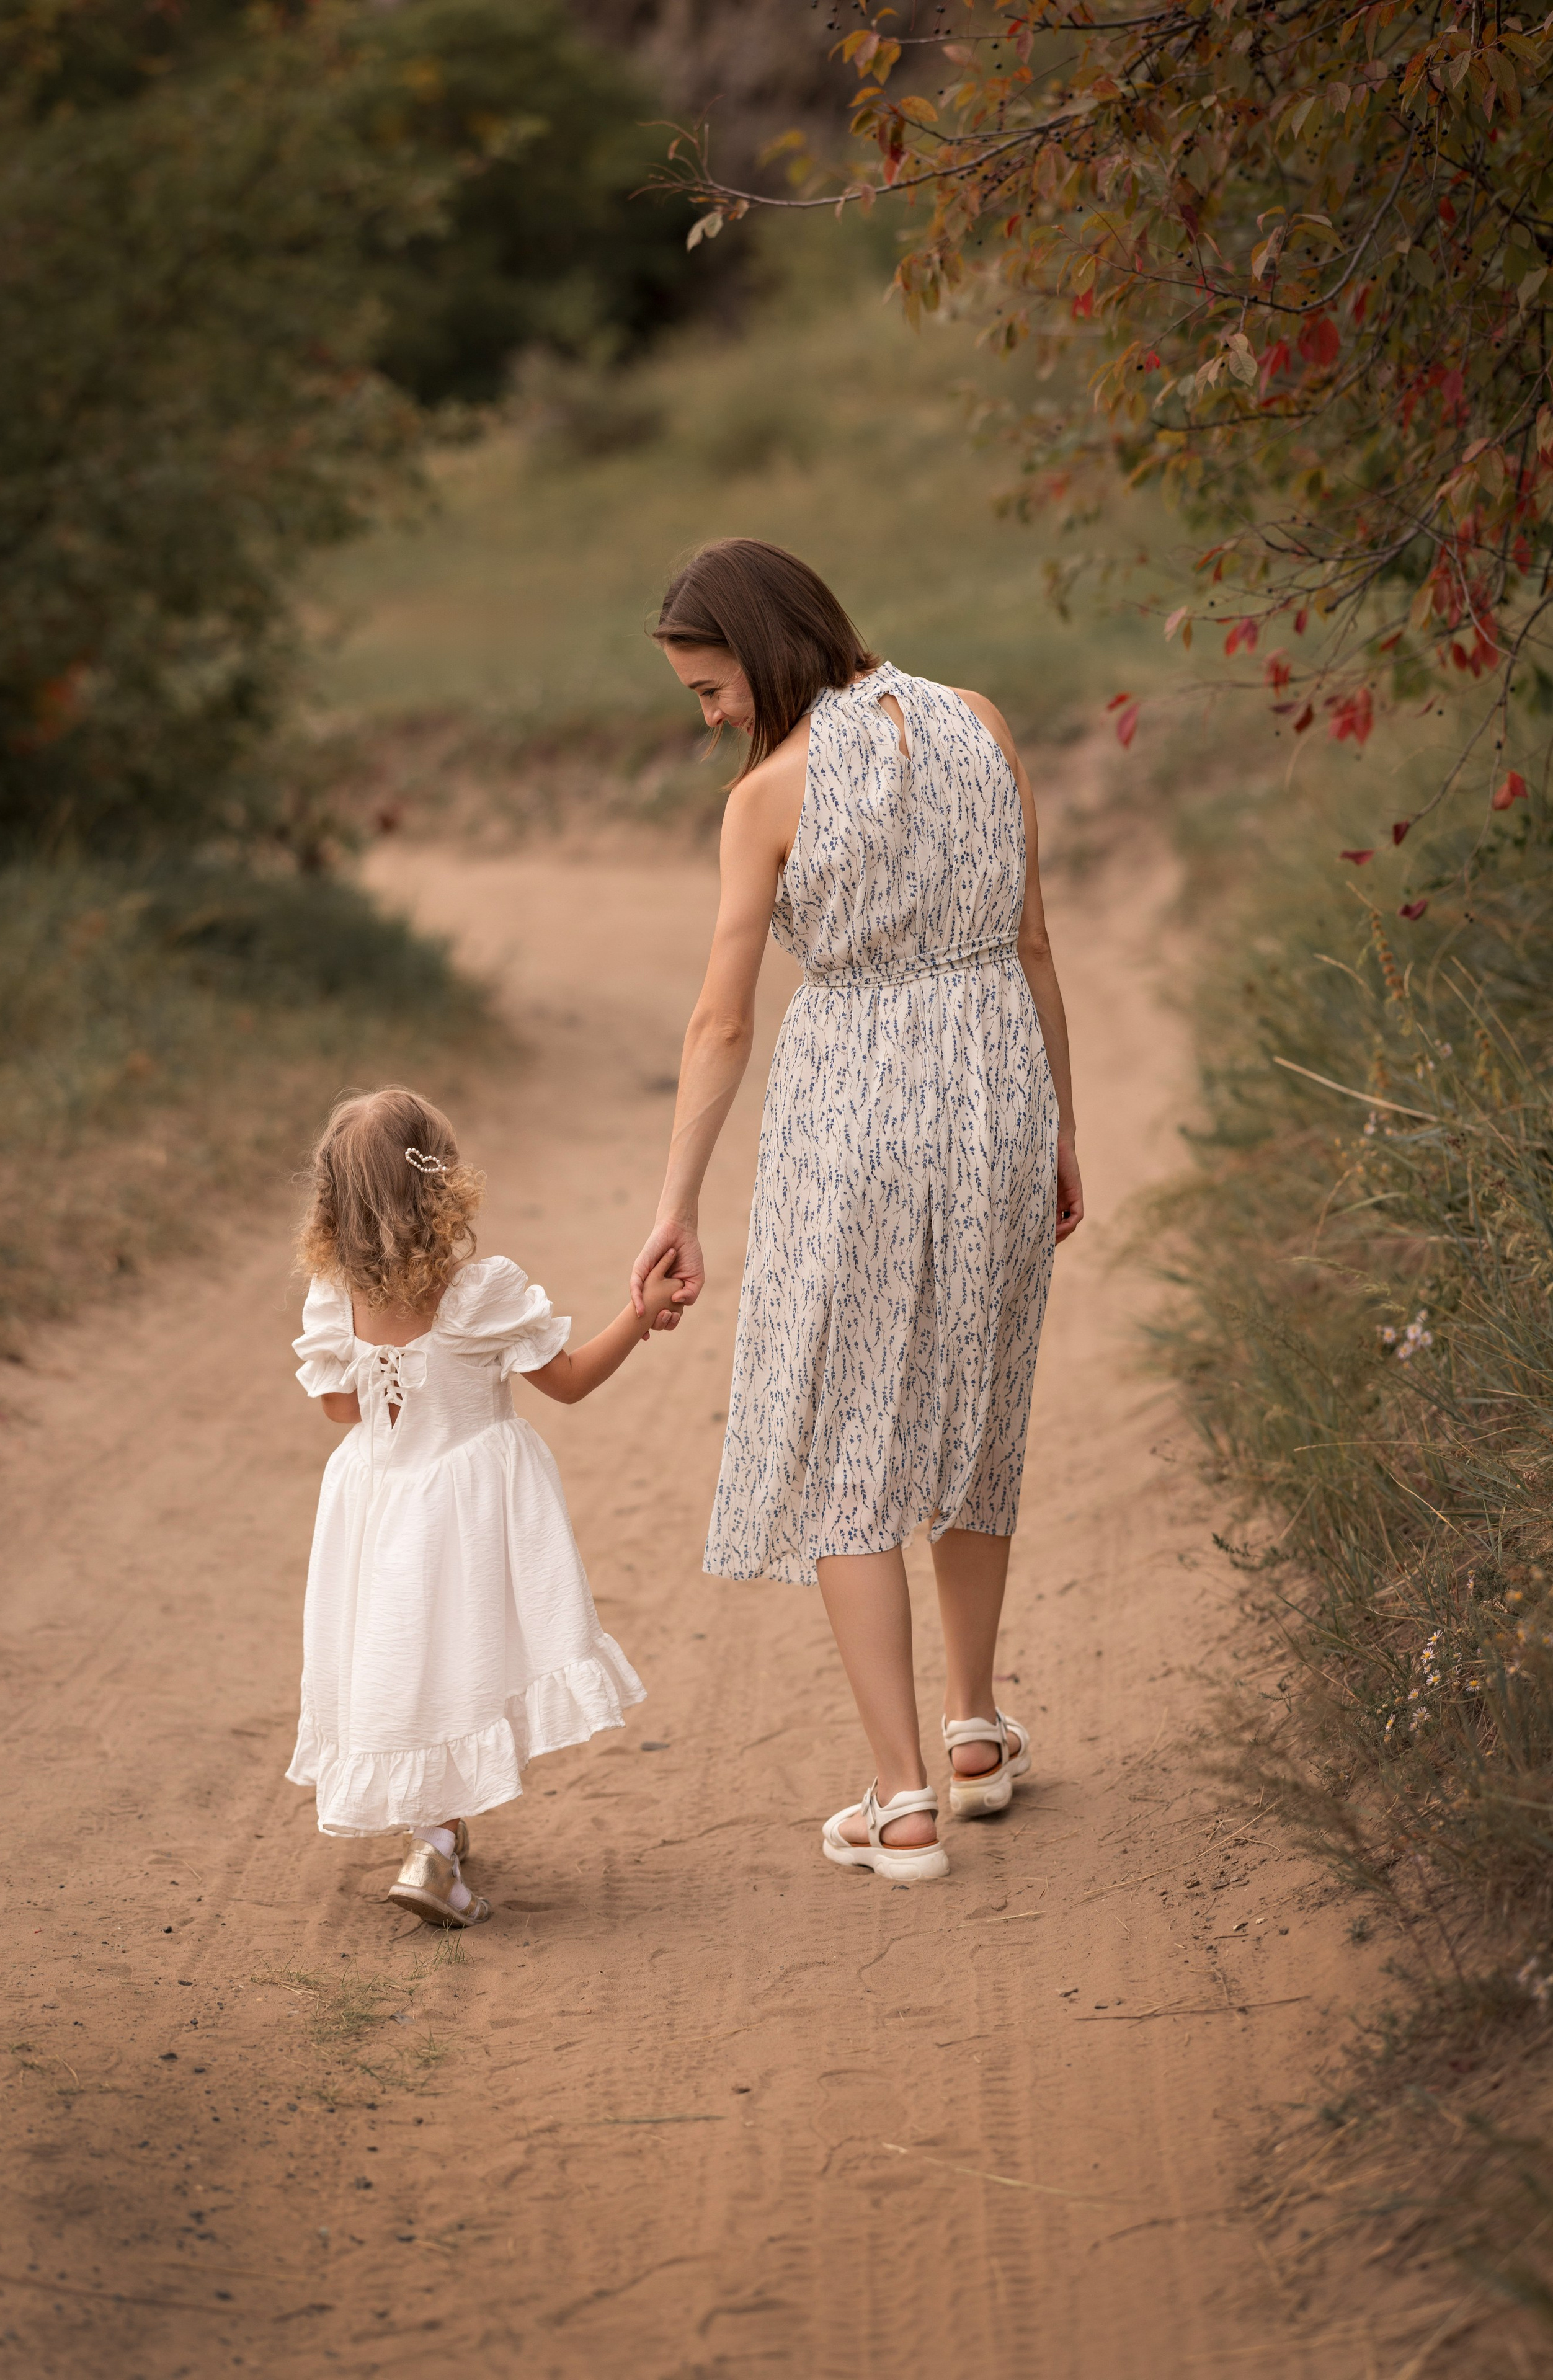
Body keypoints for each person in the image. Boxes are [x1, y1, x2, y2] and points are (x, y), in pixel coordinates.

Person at [631, 539, 1083, 1883]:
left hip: (857, 1121)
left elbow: (722, 1019)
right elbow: (1033, 941)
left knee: (847, 1435)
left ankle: (898, 1801)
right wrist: (1058, 1122)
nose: (710, 717)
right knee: (972, 1407)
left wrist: (675, 1203)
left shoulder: (767, 796)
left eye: (710, 689)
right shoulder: (979, 720)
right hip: (998, 1093)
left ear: (762, 652)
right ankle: (973, 1732)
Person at [288, 1084, 680, 1926]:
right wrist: (639, 1317)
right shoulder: (478, 1293)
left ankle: (438, 1828)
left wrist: (390, 1372)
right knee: (460, 1664)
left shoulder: (335, 1299)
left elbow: (339, 1408)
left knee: (405, 1661)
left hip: (375, 1507)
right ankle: (432, 1852)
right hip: (462, 1511)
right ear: (440, 1185)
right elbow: (567, 1382)